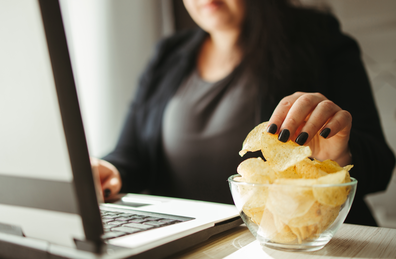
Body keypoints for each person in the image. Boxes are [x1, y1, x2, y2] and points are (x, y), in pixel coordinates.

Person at [93, 0, 395, 227]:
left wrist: (338, 156)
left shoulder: (320, 39)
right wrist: (111, 170)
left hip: (298, 245)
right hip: (191, 244)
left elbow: (380, 163)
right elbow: (131, 152)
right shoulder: (168, 54)